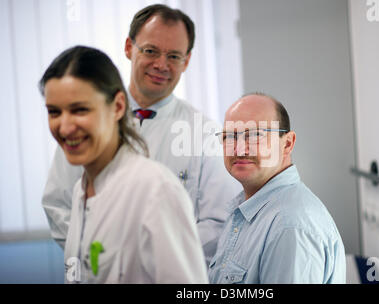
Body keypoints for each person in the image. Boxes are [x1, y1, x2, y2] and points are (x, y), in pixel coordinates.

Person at [42, 4, 240, 265]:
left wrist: (151, 259)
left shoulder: (205, 134)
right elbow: (59, 204)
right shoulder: (86, 121)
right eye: (150, 51)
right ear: (128, 47)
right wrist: (105, 255)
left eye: (174, 56)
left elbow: (218, 222)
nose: (161, 64)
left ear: (187, 61)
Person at [39, 46, 208, 283]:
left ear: (118, 107)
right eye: (54, 112)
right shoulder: (81, 191)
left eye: (80, 110)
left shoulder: (154, 190)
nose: (65, 127)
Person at [208, 93, 346, 283]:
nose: (239, 149)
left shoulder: (289, 226)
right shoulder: (245, 210)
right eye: (229, 136)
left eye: (255, 136)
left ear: (287, 143)